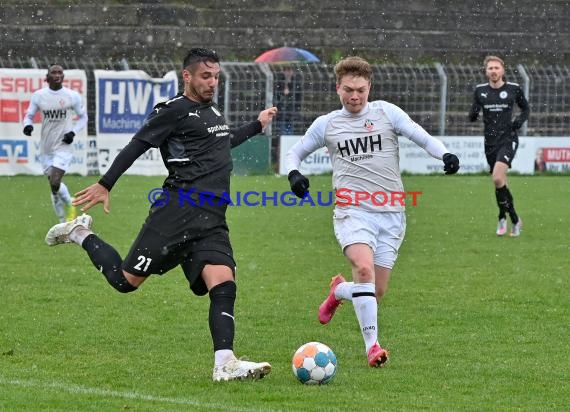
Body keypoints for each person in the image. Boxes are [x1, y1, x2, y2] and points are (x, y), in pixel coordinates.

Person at [44, 48, 278, 382]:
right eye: (205, 76)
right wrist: (105, 184)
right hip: (177, 211)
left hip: (212, 216)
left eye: (216, 76)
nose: (212, 83)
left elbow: (222, 143)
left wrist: (256, 125)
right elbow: (137, 144)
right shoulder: (173, 110)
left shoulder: (210, 109)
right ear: (188, 76)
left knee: (224, 282)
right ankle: (80, 233)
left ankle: (224, 364)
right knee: (125, 282)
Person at [284, 56, 460, 368]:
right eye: (349, 90)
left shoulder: (386, 112)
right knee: (364, 270)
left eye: (361, 90)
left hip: (391, 214)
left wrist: (443, 153)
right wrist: (294, 174)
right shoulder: (327, 124)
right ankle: (372, 347)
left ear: (370, 88)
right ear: (338, 87)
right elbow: (293, 152)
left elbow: (419, 134)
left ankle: (339, 291)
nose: (355, 96)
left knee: (374, 292)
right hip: (352, 211)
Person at [468, 55, 530, 237]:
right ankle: (506, 217)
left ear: (502, 70)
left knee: (496, 178)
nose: (493, 71)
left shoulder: (513, 89)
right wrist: (473, 114)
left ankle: (514, 219)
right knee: (501, 183)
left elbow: (525, 109)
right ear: (486, 72)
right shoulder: (480, 91)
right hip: (490, 142)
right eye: (490, 68)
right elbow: (474, 111)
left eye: (496, 68)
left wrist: (518, 121)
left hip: (508, 139)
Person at [23, 64, 88, 223]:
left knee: (55, 181)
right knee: (53, 187)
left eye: (60, 72)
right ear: (47, 77)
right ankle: (66, 212)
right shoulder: (39, 96)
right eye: (54, 72)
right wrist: (27, 126)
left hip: (63, 146)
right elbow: (29, 116)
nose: (57, 75)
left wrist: (72, 132)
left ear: (63, 77)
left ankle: (63, 219)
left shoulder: (72, 96)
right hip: (46, 147)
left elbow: (83, 117)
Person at [274, 65, 302, 135]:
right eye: (286, 70)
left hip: (291, 112)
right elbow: (276, 96)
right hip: (281, 113)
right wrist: (283, 93)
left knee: (290, 133)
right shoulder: (279, 82)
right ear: (283, 71)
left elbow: (298, 97)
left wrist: (296, 110)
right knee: (282, 133)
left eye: (290, 70)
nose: (288, 73)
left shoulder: (296, 82)